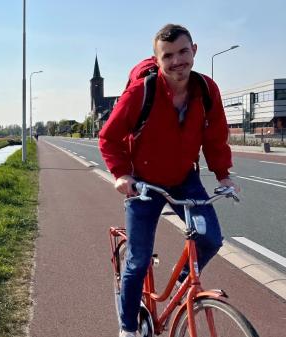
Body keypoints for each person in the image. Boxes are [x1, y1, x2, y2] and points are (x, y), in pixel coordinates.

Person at [98, 24, 240, 337]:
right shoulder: (141, 92)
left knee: (211, 239)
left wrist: (224, 175)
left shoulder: (206, 90)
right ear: (158, 59)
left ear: (194, 51)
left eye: (183, 52)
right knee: (138, 260)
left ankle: (182, 280)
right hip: (144, 184)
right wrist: (121, 174)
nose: (177, 61)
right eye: (168, 56)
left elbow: (215, 138)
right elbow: (108, 138)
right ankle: (127, 329)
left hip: (184, 177)